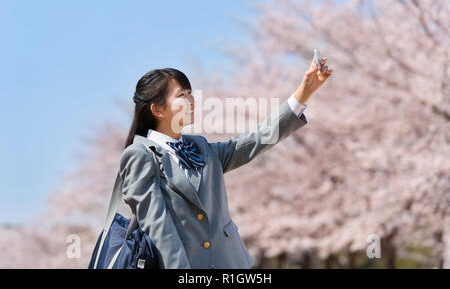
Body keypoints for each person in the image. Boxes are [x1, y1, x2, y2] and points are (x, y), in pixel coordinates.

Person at [120, 54, 333, 268]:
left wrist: (303, 94)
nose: (191, 100)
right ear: (157, 109)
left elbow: (255, 140)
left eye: (190, 93)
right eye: (181, 95)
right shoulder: (140, 155)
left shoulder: (200, 147)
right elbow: (158, 228)